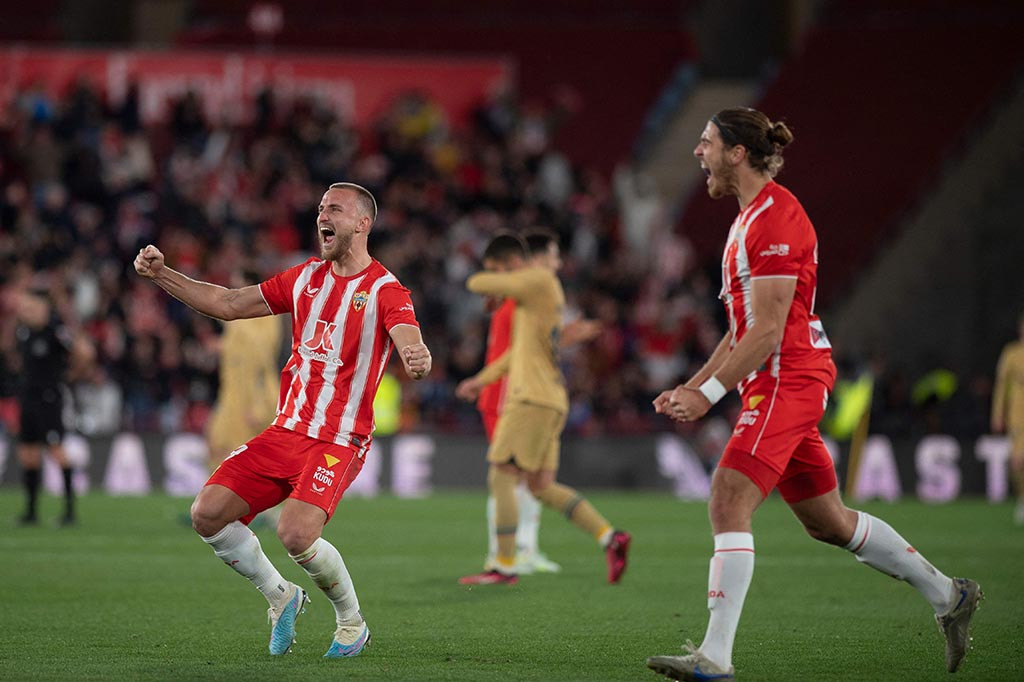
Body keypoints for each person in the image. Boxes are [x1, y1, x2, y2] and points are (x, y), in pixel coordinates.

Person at [645, 108, 981, 680]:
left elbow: (770, 330)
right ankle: (950, 595)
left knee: (728, 496)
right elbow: (741, 329)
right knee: (828, 522)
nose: (697, 152)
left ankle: (714, 658)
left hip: (790, 378)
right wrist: (695, 385)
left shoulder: (777, 218)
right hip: (773, 378)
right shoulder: (747, 220)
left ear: (737, 153)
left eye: (706, 142)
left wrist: (710, 395)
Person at [134, 182, 432, 658]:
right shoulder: (305, 278)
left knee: (296, 533)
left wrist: (416, 354)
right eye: (320, 208)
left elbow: (407, 334)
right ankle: (281, 595)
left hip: (337, 438)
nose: (322, 216)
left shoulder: (384, 289)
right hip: (285, 431)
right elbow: (229, 304)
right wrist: (162, 275)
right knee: (206, 514)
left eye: (335, 209)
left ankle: (352, 623)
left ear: (362, 223)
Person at [455, 230, 630, 585]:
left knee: (501, 475)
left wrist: (496, 281)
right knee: (540, 486)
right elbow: (517, 353)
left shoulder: (538, 281)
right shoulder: (534, 299)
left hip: (530, 398)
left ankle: (504, 565)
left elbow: (476, 282)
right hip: (550, 397)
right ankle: (609, 537)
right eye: (553, 255)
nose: (558, 263)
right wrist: (481, 379)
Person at [13, 288, 91, 526]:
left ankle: (69, 511)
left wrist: (72, 375)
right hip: (28, 397)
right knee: (28, 454)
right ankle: (31, 512)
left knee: (56, 451)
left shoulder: (56, 331)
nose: (26, 312)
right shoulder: (24, 331)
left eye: (31, 308)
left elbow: (85, 352)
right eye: (25, 308)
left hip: (49, 399)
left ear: (44, 309)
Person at [205, 268, 283, 472]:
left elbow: (262, 357)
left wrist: (258, 405)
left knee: (246, 454)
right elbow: (236, 347)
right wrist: (222, 346)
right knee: (217, 443)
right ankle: (216, 490)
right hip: (231, 392)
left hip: (252, 395)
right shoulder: (236, 318)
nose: (233, 291)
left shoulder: (267, 313)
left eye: (237, 286)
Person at [992, 312, 1024, 524]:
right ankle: (1022, 498)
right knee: (1017, 462)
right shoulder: (1012, 353)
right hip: (1018, 415)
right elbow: (1002, 385)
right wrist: (997, 414)